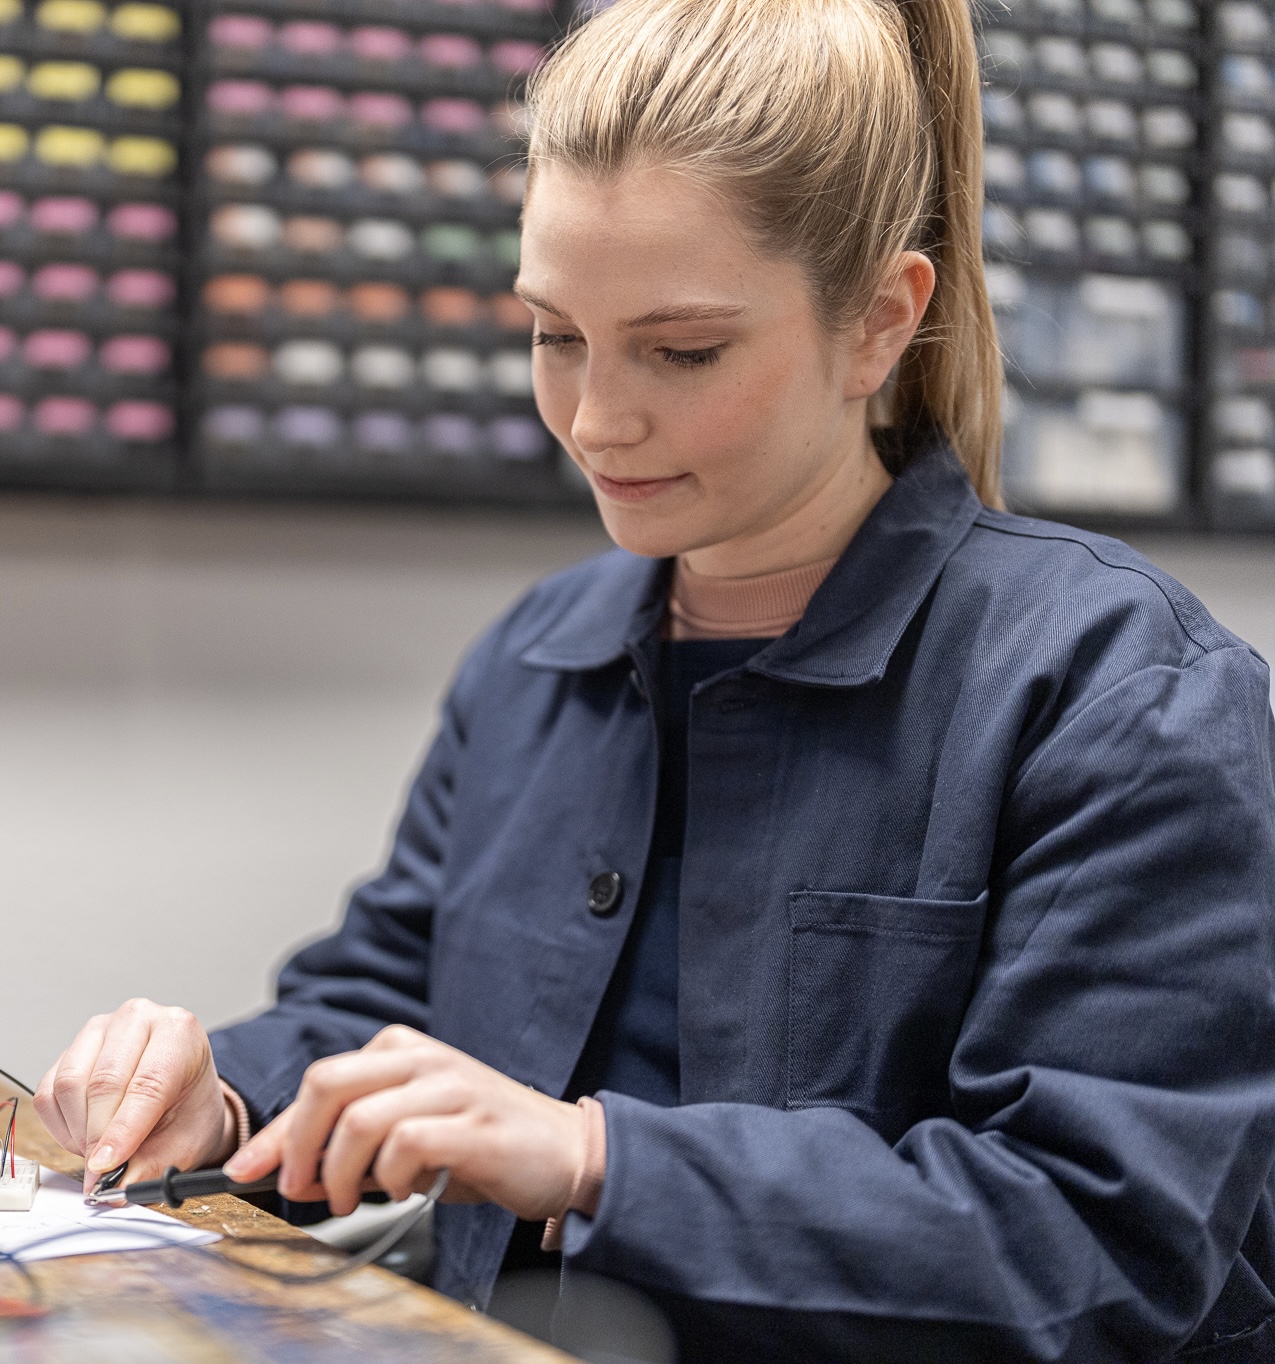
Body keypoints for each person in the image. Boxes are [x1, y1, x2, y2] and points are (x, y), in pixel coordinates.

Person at [34, 0, 1275, 1358]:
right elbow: (388, 997)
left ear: (880, 322)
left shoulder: (1118, 691)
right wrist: (224, 1096)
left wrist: (594, 1162)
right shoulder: (536, 655)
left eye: (683, 351)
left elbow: (1094, 1243)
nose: (595, 420)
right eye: (554, 335)